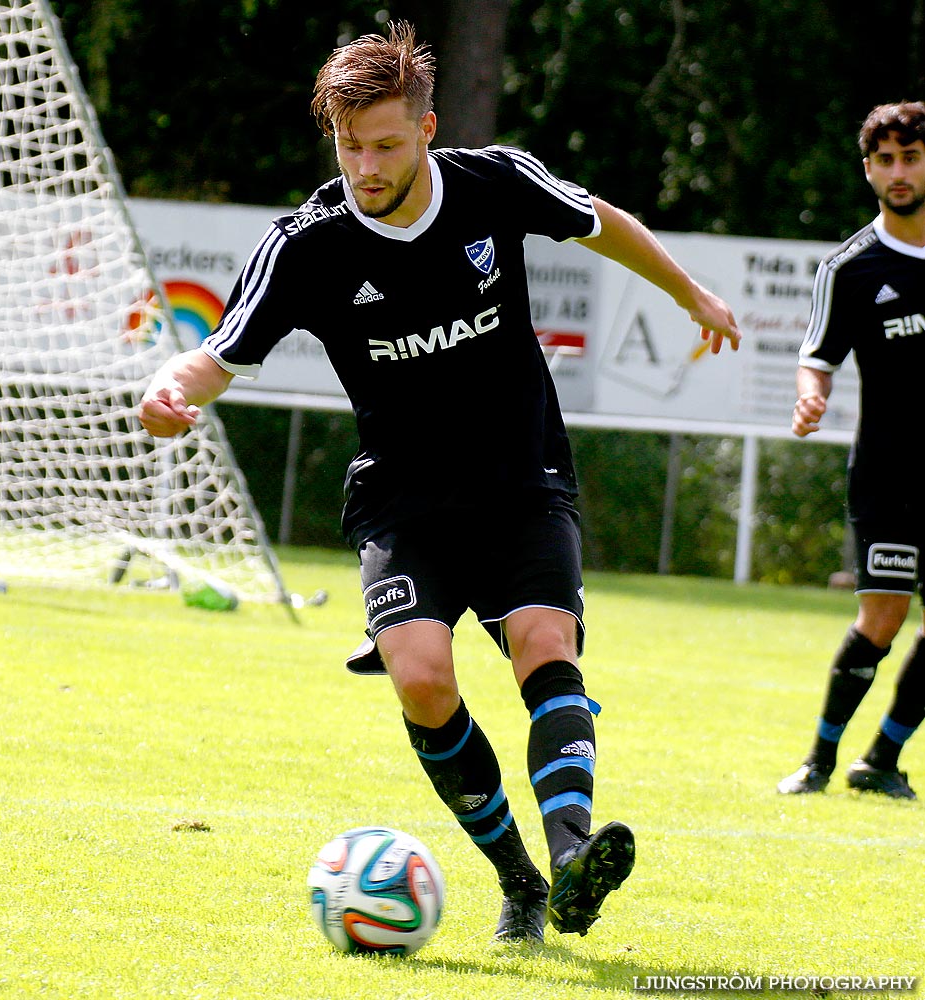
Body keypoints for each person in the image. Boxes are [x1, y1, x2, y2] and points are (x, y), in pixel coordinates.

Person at [139, 22, 741, 941]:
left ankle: (576, 854)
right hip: (404, 496)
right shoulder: (308, 243)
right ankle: (522, 883)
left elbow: (600, 222)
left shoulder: (494, 181)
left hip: (521, 477)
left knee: (546, 640)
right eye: (349, 146)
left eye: (384, 143)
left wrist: (688, 292)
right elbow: (220, 353)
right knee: (421, 679)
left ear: (427, 128)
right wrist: (170, 385)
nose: (365, 165)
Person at [777, 101, 925, 801]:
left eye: (912, 156)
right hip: (890, 476)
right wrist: (812, 395)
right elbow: (819, 355)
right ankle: (820, 760)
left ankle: (882, 759)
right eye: (886, 160)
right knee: (883, 618)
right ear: (869, 171)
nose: (900, 171)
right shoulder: (853, 267)